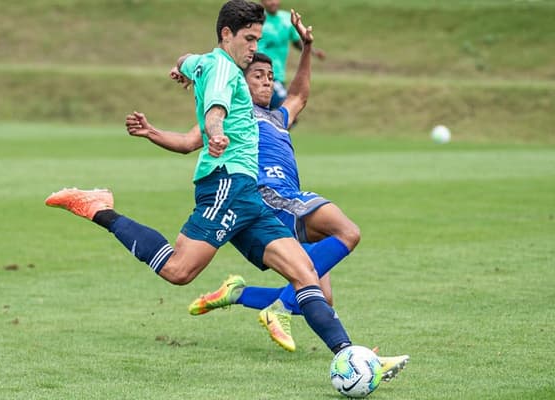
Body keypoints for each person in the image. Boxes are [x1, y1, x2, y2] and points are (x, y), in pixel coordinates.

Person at [47, 0, 353, 360]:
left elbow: (184, 58)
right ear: (227, 34)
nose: (256, 48)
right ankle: (99, 208)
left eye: (258, 39)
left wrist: (180, 69)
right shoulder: (225, 70)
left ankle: (349, 355)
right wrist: (216, 131)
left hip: (247, 195)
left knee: (305, 273)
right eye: (250, 39)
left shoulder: (207, 63)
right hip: (226, 183)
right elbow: (216, 109)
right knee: (178, 270)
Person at [124, 8, 408, 380]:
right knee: (346, 233)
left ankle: (254, 300)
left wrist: (306, 47)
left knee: (319, 294)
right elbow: (199, 129)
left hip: (278, 199)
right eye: (258, 73)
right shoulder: (232, 102)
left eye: (270, 76)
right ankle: (287, 314)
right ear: (241, 75)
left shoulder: (275, 118)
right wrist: (171, 128)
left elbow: (300, 95)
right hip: (264, 196)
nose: (266, 81)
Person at [258, 0, 325, 109]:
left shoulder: (287, 19)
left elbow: (297, 42)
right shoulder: (258, 19)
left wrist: (314, 51)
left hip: (279, 74)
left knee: (273, 114)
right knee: (285, 108)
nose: (273, 2)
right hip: (260, 73)